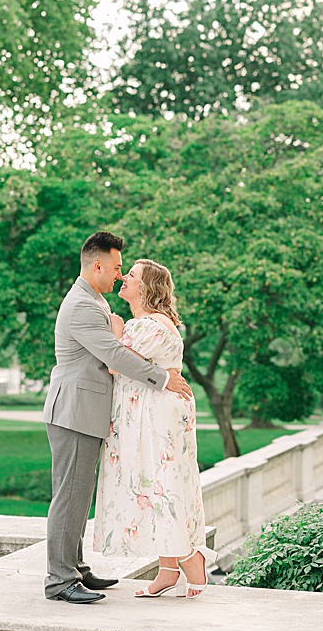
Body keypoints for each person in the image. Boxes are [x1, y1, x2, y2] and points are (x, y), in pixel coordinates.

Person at [44, 232, 195, 604]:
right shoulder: (82, 304)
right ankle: (59, 580)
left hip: (84, 410)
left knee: (78, 496)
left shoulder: (93, 299)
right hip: (75, 410)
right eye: (115, 268)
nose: (118, 274)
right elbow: (114, 353)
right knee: (69, 497)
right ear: (97, 265)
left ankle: (75, 569)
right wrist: (163, 378)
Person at [93, 259, 211, 598]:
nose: (123, 278)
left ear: (146, 288)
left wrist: (115, 331)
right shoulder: (141, 323)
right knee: (155, 478)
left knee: (160, 481)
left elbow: (117, 362)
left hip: (155, 415)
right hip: (147, 411)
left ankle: (190, 557)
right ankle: (168, 568)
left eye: (131, 275)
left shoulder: (150, 325)